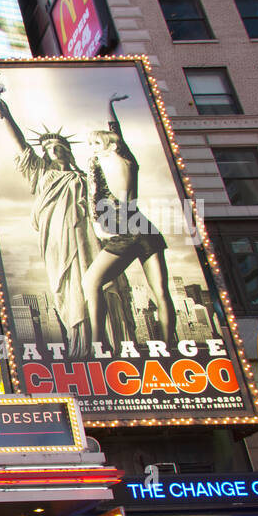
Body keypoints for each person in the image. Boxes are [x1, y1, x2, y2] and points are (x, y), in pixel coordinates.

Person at [0, 72, 133, 358]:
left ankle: (110, 345)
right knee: (71, 288)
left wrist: (110, 116)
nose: (53, 150)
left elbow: (120, 159)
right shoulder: (41, 173)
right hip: (58, 241)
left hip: (91, 236)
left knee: (101, 283)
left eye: (57, 147)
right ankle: (83, 345)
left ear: (66, 150)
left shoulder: (86, 175)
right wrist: (2, 109)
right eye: (48, 148)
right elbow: (21, 144)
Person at [81, 93, 176, 346]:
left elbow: (100, 203)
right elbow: (117, 134)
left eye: (96, 144)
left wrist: (100, 228)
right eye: (90, 145)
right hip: (144, 228)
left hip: (125, 231)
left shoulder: (101, 166)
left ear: (110, 146)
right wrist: (108, 106)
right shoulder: (128, 160)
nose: (92, 149)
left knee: (91, 281)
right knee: (161, 293)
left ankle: (98, 343)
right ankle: (168, 346)